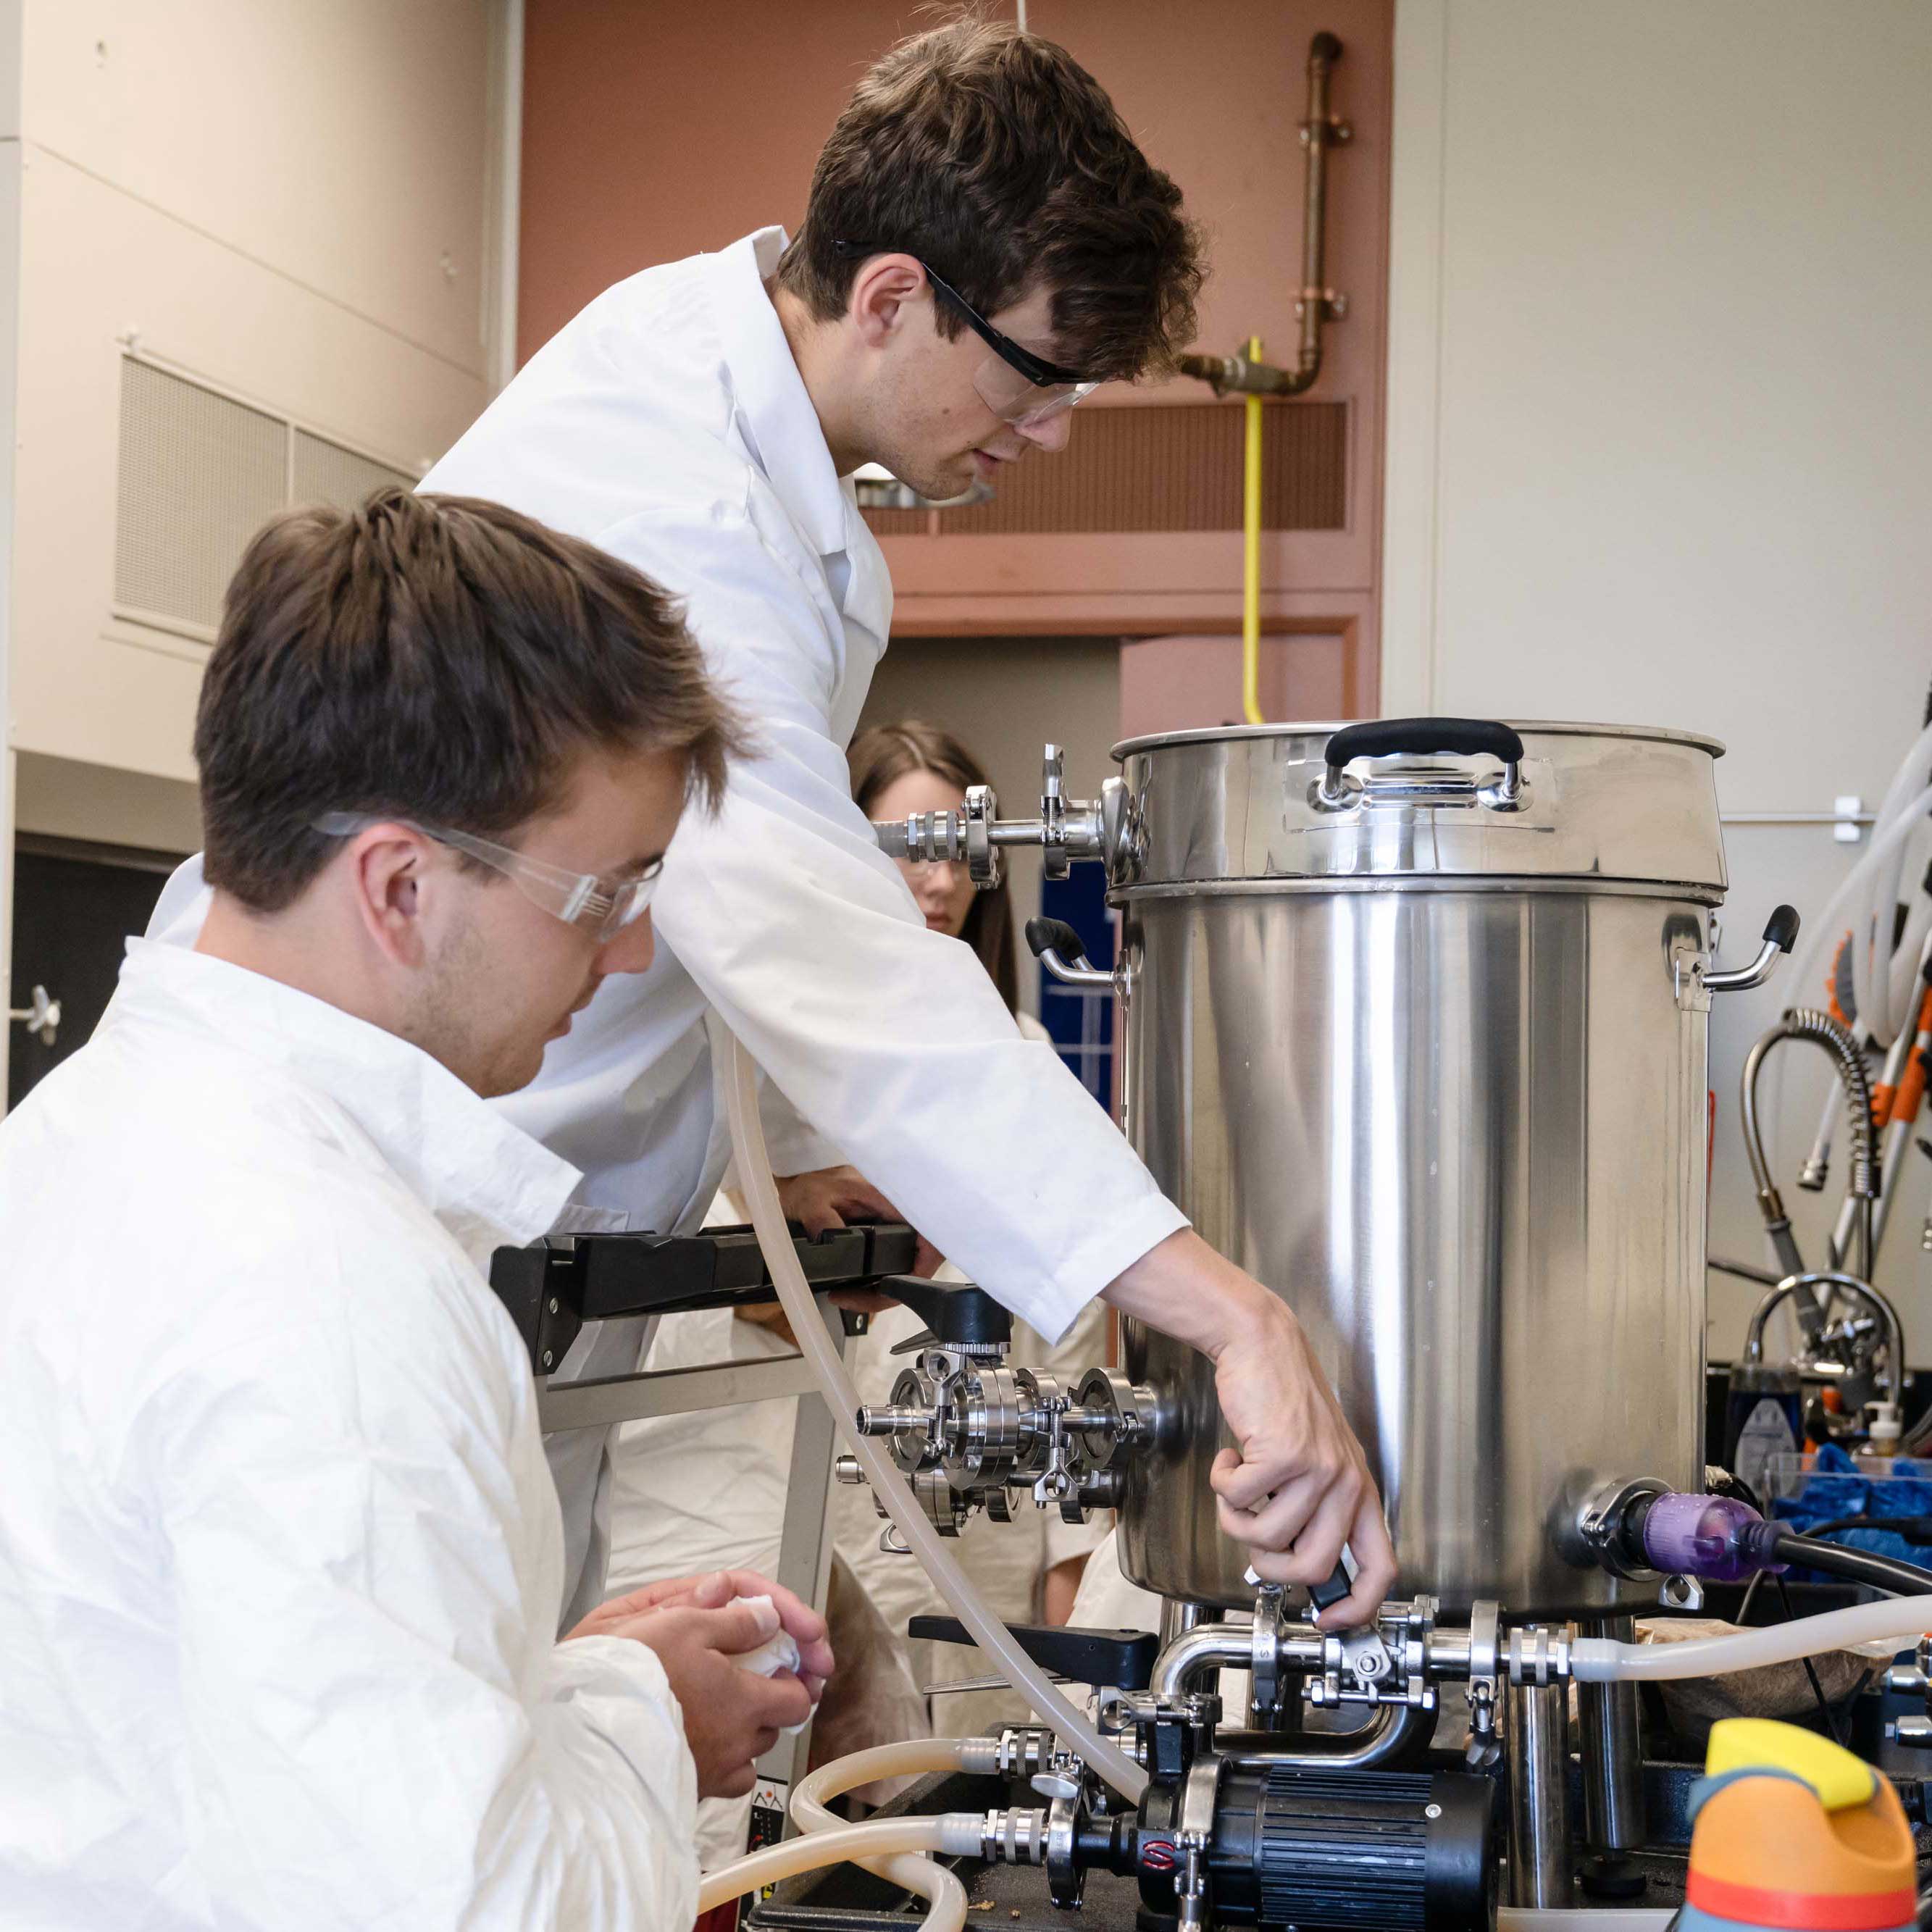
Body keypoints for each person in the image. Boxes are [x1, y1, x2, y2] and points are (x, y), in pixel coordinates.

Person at [156, 16, 1397, 1632]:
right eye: (1036, 373)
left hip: (511, 1218)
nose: (1049, 431)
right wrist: (1237, 1317)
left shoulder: (717, 380)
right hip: (401, 1202)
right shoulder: (683, 504)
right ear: (891, 296)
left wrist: (803, 1155)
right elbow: (828, 958)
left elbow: (739, 910)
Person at [0, 488, 835, 1930]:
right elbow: (467, 1911)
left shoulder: (75, 1138)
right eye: (604, 889)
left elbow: (207, 1733)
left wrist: (563, 1682)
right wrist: (645, 1726)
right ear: (398, 885)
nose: (631, 948)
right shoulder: (330, 1285)